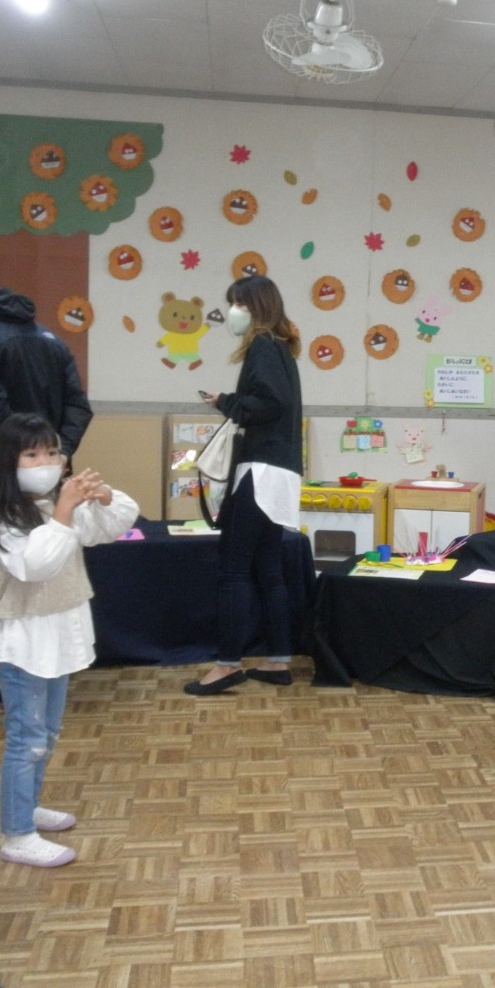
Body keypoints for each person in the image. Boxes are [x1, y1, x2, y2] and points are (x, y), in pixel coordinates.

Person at [0, 413, 136, 867]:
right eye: (32, 454)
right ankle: (16, 834)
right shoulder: (2, 518)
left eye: (51, 453)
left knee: (46, 734)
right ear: (8, 462)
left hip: (57, 642)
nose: (46, 462)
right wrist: (65, 511)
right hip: (24, 646)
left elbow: (111, 525)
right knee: (25, 740)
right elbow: (36, 565)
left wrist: (104, 497)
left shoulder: (54, 507)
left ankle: (27, 806)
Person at [0, 253, 93, 710]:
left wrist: (21, 456)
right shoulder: (49, 337)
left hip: (3, 475)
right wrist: (54, 454)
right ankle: (51, 667)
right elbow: (79, 406)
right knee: (53, 558)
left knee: (2, 571)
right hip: (53, 476)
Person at [186, 275, 304, 695]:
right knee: (268, 568)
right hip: (281, 472)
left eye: (239, 304)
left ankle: (227, 665)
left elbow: (272, 402)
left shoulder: (263, 346)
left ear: (256, 307)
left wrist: (227, 402)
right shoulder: (282, 347)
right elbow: (279, 401)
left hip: (260, 470)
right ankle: (278, 660)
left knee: (234, 569)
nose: (233, 312)